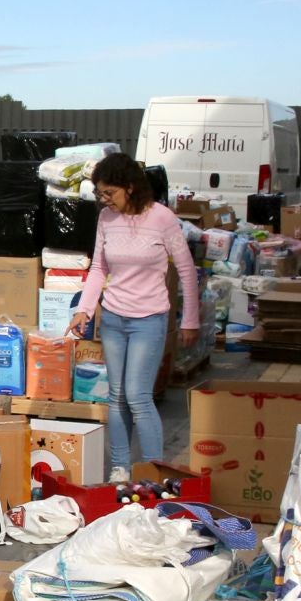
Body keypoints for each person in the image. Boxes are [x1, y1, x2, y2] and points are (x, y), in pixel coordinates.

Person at [66, 153, 196, 482]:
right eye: (100, 194)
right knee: (117, 395)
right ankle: (120, 469)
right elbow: (99, 267)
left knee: (138, 395)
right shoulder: (106, 219)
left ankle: (153, 469)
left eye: (109, 193)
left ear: (130, 187)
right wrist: (84, 308)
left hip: (149, 320)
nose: (104, 200)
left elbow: (186, 270)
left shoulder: (163, 219)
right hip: (113, 318)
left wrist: (189, 320)